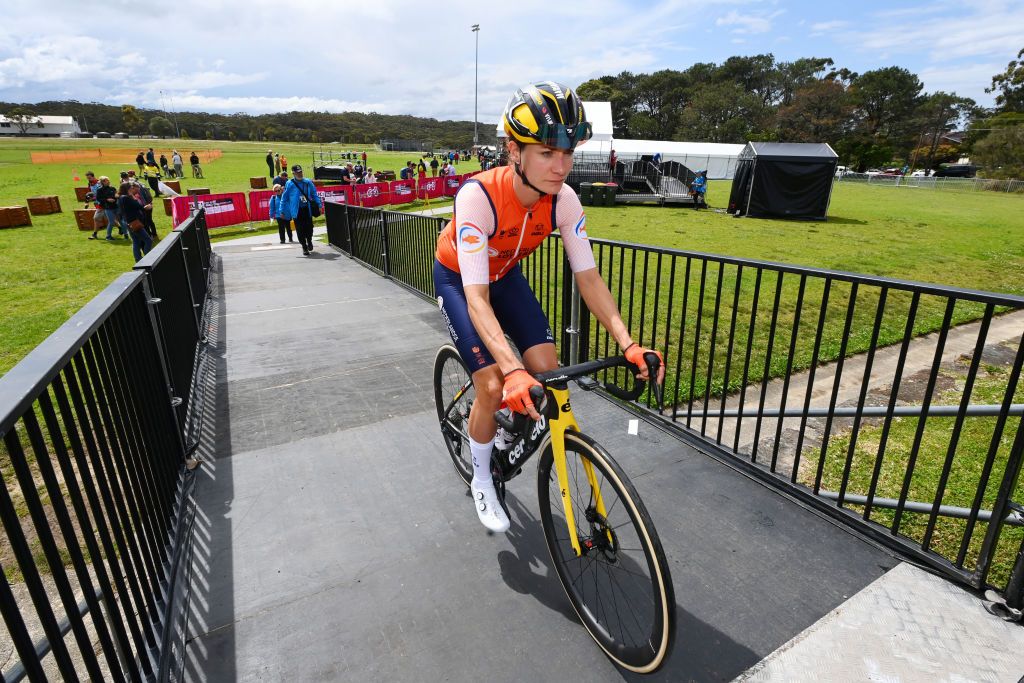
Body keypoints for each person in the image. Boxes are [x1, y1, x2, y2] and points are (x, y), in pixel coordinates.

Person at [433, 81, 663, 533]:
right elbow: (477, 298)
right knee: (494, 382)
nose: (561, 167)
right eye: (546, 153)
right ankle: (483, 476)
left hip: (505, 278)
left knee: (549, 370)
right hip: (462, 282)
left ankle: (505, 432)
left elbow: (589, 278)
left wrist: (629, 343)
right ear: (513, 152)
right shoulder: (477, 197)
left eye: (568, 153)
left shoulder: (564, 200)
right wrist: (510, 368)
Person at [279, 164, 322, 256]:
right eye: (297, 172)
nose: (300, 174)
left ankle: (309, 240)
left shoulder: (308, 182)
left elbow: (314, 194)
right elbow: (284, 198)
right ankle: (304, 247)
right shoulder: (289, 184)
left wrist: (319, 204)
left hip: (307, 209)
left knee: (309, 228)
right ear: (293, 173)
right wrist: (281, 210)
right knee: (300, 230)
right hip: (296, 211)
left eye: (301, 172)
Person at [118, 182, 153, 261]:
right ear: (127, 189)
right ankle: (148, 259)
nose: (132, 189)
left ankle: (138, 259)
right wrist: (146, 207)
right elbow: (137, 206)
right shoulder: (126, 198)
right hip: (134, 222)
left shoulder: (121, 197)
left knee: (136, 241)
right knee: (148, 240)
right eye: (130, 188)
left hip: (128, 222)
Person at [95, 176, 124, 241]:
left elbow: (116, 194)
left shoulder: (112, 188)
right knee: (111, 222)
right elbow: (98, 199)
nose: (108, 181)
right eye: (106, 180)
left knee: (121, 221)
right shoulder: (100, 190)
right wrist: (107, 200)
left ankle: (126, 235)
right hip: (108, 208)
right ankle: (108, 236)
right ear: (102, 182)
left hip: (116, 207)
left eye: (108, 180)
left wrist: (117, 196)